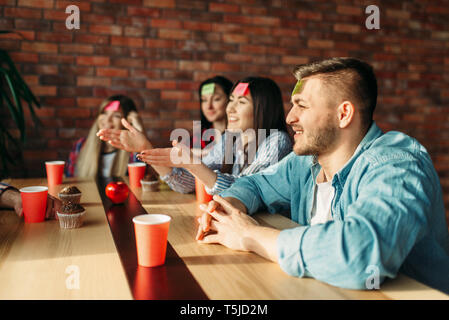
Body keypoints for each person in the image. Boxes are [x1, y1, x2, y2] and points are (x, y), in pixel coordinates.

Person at [195, 57, 449, 294]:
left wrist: (251, 236)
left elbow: (361, 251)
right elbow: (256, 184)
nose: (289, 117)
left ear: (343, 114)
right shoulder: (305, 161)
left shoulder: (396, 163)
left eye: (301, 106)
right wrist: (229, 207)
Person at [97, 77, 292, 195]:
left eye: (240, 102)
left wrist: (193, 163)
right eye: (231, 100)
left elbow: (248, 191)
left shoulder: (277, 141)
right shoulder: (229, 139)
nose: (229, 108)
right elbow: (187, 184)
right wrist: (145, 147)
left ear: (262, 109)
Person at [65, 95, 144, 178]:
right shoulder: (80, 145)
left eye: (116, 115)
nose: (107, 119)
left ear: (129, 122)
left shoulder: (134, 151)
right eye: (104, 113)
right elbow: (70, 180)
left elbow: (143, 180)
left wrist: (140, 132)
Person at [194, 76, 233, 150]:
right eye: (204, 100)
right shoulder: (195, 141)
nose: (209, 106)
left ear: (230, 100)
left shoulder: (244, 137)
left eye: (216, 99)